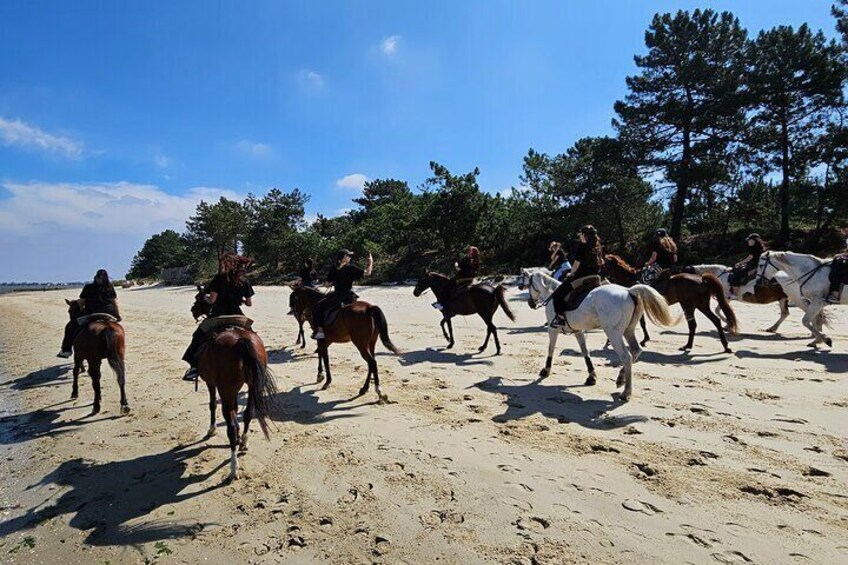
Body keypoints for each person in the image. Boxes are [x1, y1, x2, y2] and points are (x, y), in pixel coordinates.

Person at [181, 254, 255, 381]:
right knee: (252, 337)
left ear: (228, 264)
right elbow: (249, 304)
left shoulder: (219, 279)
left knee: (197, 336)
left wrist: (205, 297)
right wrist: (239, 300)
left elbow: (212, 300)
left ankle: (194, 368)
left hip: (218, 314)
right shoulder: (244, 280)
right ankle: (256, 364)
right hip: (237, 315)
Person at [311, 250, 373, 340]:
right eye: (348, 256)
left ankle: (320, 331)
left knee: (318, 306)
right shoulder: (351, 268)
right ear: (343, 257)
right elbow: (368, 272)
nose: (350, 257)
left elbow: (327, 284)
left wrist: (324, 284)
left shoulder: (334, 268)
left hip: (338, 295)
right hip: (348, 295)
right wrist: (370, 262)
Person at [58, 269, 120, 358]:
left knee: (70, 327)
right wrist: (117, 315)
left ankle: (66, 350)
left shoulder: (88, 287)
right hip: (109, 312)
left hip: (92, 312)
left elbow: (82, 302)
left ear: (96, 277)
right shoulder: (109, 287)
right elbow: (113, 302)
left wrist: (74, 305)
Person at [550, 225, 604, 327]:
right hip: (596, 277)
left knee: (557, 294)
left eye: (580, 234)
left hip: (581, 277)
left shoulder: (581, 247)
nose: (579, 236)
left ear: (584, 235)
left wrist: (571, 273)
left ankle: (560, 319)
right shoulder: (598, 247)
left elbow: (576, 264)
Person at [434, 246, 480, 310]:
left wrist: (457, 266)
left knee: (447, 287)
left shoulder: (468, 260)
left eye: (469, 251)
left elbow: (462, 269)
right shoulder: (476, 260)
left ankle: (441, 306)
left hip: (463, 278)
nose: (468, 252)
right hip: (471, 278)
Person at [729, 233, 767, 298]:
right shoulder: (762, 247)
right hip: (758, 266)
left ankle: (735, 294)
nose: (748, 241)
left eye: (749, 240)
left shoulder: (754, 248)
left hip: (754, 267)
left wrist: (740, 263)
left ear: (754, 240)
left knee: (736, 275)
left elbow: (750, 258)